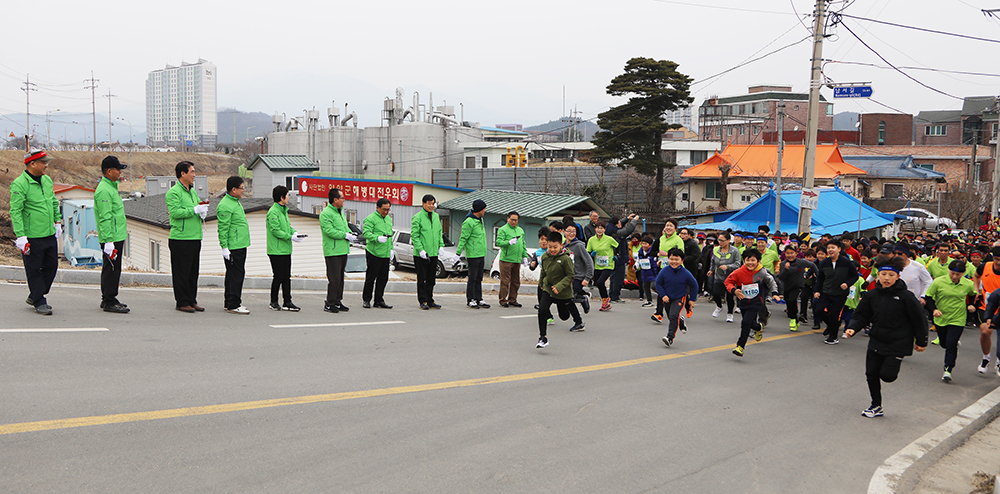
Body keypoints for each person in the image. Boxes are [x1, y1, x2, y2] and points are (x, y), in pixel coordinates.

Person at [844, 256, 928, 418]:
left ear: (898, 276)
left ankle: (895, 363)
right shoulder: (871, 295)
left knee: (887, 376)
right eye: (883, 274)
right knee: (871, 374)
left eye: (891, 275)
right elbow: (861, 315)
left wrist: (921, 341)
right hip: (877, 339)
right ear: (878, 275)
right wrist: (852, 328)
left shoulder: (906, 297)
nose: (887, 278)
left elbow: (919, 319)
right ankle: (876, 405)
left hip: (898, 342)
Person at [10, 150, 62, 315]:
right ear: (32, 164)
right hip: (32, 235)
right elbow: (16, 211)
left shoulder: (46, 180)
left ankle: (35, 294)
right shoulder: (19, 184)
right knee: (33, 269)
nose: (46, 165)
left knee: (51, 266)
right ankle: (39, 301)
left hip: (48, 233)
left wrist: (57, 221)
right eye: (43, 162)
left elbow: (53, 201)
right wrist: (21, 235)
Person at [923, 260, 977, 382]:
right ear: (949, 271)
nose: (954, 277)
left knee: (951, 345)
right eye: (952, 273)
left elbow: (972, 295)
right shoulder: (938, 282)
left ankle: (948, 370)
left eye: (958, 275)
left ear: (963, 274)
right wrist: (934, 310)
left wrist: (972, 305)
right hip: (941, 317)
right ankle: (951, 343)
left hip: (958, 318)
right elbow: (929, 297)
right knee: (944, 344)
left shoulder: (967, 284)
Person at [166, 161, 208, 313]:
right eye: (192, 172)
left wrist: (202, 211)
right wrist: (194, 210)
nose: (194, 175)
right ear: (182, 174)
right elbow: (176, 213)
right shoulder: (173, 192)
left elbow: (196, 208)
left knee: (192, 272)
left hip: (195, 236)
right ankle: (182, 301)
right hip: (180, 238)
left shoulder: (192, 191)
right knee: (181, 272)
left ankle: (191, 299)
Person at [725, 248, 782, 357]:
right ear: (744, 260)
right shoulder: (739, 272)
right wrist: (734, 290)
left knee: (745, 323)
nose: (750, 263)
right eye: (748, 260)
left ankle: (740, 346)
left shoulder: (762, 272)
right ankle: (758, 327)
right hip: (743, 301)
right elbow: (728, 282)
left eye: (753, 260)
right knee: (750, 323)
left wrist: (774, 293)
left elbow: (771, 282)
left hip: (756, 302)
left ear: (758, 261)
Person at [93, 155, 129, 314]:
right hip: (111, 238)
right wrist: (108, 241)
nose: (120, 173)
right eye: (118, 170)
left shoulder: (111, 187)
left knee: (115, 269)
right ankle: (108, 300)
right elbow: (105, 217)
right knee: (111, 270)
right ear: (109, 171)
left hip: (116, 235)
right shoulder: (104, 191)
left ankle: (110, 297)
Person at [536, 231, 584, 348]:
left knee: (564, 316)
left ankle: (581, 300)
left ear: (561, 245)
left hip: (563, 292)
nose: (552, 249)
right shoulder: (545, 257)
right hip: (548, 288)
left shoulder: (565, 259)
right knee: (542, 310)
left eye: (555, 247)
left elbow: (570, 276)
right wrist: (541, 283)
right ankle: (543, 337)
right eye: (550, 247)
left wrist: (559, 287)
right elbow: (544, 271)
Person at [813, 240, 859, 344]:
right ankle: (830, 326)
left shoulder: (847, 263)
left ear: (839, 249)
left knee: (835, 315)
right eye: (828, 248)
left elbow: (855, 276)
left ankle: (833, 337)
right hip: (826, 292)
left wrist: (847, 284)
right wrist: (817, 291)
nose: (830, 250)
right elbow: (820, 278)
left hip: (840, 294)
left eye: (833, 247)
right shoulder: (824, 263)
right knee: (819, 309)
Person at [265, 185, 303, 312]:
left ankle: (287, 301)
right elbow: (275, 231)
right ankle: (274, 301)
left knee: (286, 276)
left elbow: (287, 227)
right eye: (287, 195)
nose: (288, 198)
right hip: (276, 250)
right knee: (278, 276)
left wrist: (295, 233)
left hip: (285, 249)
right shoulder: (273, 212)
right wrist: (290, 237)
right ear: (282, 197)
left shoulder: (283, 210)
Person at [217, 176, 251, 314]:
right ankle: (234, 304)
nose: (243, 191)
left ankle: (230, 302)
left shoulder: (235, 202)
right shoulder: (225, 205)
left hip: (240, 244)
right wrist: (224, 247)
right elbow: (223, 228)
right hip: (234, 246)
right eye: (242, 188)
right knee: (236, 275)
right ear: (234, 189)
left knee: (233, 274)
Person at [320, 187, 356, 313]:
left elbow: (345, 228)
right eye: (342, 198)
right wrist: (345, 235)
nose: (344, 200)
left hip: (343, 249)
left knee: (340, 278)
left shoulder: (340, 212)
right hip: (333, 250)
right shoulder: (326, 213)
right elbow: (329, 231)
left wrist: (351, 234)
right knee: (334, 279)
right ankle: (329, 303)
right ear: (335, 200)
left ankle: (337, 301)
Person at [655, 248, 699, 347]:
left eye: (676, 259)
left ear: (682, 261)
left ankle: (670, 338)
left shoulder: (686, 273)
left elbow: (694, 285)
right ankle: (681, 320)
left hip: (679, 297)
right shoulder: (664, 271)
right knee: (671, 317)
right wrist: (663, 295)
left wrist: (692, 299)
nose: (674, 262)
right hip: (667, 298)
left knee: (674, 315)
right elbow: (658, 283)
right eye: (671, 259)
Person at [412, 194, 444, 310]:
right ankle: (423, 300)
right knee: (422, 279)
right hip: (421, 254)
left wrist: (441, 246)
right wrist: (421, 250)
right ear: (423, 204)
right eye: (429, 203)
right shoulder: (417, 217)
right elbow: (415, 236)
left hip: (434, 253)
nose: (432, 206)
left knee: (431, 279)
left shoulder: (436, 216)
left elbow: (439, 233)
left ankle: (430, 300)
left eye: (433, 203)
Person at [776, 242, 816, 332]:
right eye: (788, 253)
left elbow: (812, 265)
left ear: (796, 253)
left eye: (792, 253)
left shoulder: (800, 262)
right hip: (787, 286)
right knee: (789, 303)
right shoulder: (783, 264)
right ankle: (795, 318)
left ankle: (793, 320)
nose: (790, 255)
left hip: (797, 285)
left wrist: (816, 275)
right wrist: (786, 269)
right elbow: (781, 277)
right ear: (785, 254)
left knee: (792, 300)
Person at [361, 197, 393, 309]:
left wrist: (391, 249)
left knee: (383, 278)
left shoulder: (388, 219)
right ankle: (366, 299)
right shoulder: (370, 219)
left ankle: (379, 300)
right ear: (377, 208)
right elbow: (366, 233)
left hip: (385, 253)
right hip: (374, 252)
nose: (386, 212)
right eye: (384, 209)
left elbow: (390, 235)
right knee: (371, 277)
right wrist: (377, 238)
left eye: (388, 209)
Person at [458, 199, 490, 309]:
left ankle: (478, 298)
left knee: (479, 278)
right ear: (479, 209)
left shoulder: (480, 220)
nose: (485, 210)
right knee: (472, 277)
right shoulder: (469, 222)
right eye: (484, 208)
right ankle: (470, 299)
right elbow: (463, 238)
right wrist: (458, 253)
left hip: (481, 253)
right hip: (473, 254)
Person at [495, 211, 527, 308]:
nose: (514, 222)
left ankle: (513, 299)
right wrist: (508, 242)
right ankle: (503, 299)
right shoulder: (503, 230)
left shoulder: (520, 230)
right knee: (505, 281)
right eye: (512, 219)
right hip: (506, 259)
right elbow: (498, 242)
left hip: (516, 260)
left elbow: (523, 244)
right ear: (507, 219)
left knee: (516, 281)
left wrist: (524, 256)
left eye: (516, 220)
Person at [708, 232, 741, 323]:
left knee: (729, 297)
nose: (720, 242)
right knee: (716, 293)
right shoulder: (716, 249)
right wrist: (711, 270)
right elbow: (713, 261)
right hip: (719, 276)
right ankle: (719, 306)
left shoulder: (734, 251)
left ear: (729, 240)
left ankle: (730, 314)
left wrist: (728, 267)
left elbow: (738, 264)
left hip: (731, 278)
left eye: (723, 240)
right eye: (719, 240)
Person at [586, 220, 619, 311]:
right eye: (597, 228)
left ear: (604, 229)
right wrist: (591, 255)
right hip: (597, 265)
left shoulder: (609, 239)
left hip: (608, 264)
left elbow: (618, 246)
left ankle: (605, 299)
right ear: (595, 229)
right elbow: (587, 252)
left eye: (601, 228)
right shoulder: (591, 240)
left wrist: (616, 255)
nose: (599, 230)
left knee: (600, 282)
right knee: (598, 283)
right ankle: (605, 302)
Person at [563, 223, 593, 314]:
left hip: (578, 276)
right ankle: (583, 295)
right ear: (564, 232)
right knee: (566, 296)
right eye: (569, 231)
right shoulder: (563, 247)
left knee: (571, 297)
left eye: (574, 231)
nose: (571, 233)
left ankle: (583, 299)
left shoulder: (579, 246)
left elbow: (589, 262)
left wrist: (587, 278)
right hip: (568, 276)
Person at [608, 214, 639, 302]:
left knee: (613, 278)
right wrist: (634, 221)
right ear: (616, 225)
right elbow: (628, 230)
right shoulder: (617, 233)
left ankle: (612, 295)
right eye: (619, 222)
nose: (620, 223)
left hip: (613, 257)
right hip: (619, 258)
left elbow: (619, 224)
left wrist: (627, 218)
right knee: (618, 278)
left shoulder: (610, 229)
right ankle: (615, 297)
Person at [635, 235, 659, 311]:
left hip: (653, 272)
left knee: (654, 286)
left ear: (650, 245)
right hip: (644, 272)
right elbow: (638, 260)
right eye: (642, 243)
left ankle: (663, 296)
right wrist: (635, 266)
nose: (643, 245)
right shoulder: (640, 252)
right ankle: (649, 301)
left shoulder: (653, 252)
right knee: (645, 287)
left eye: (646, 244)